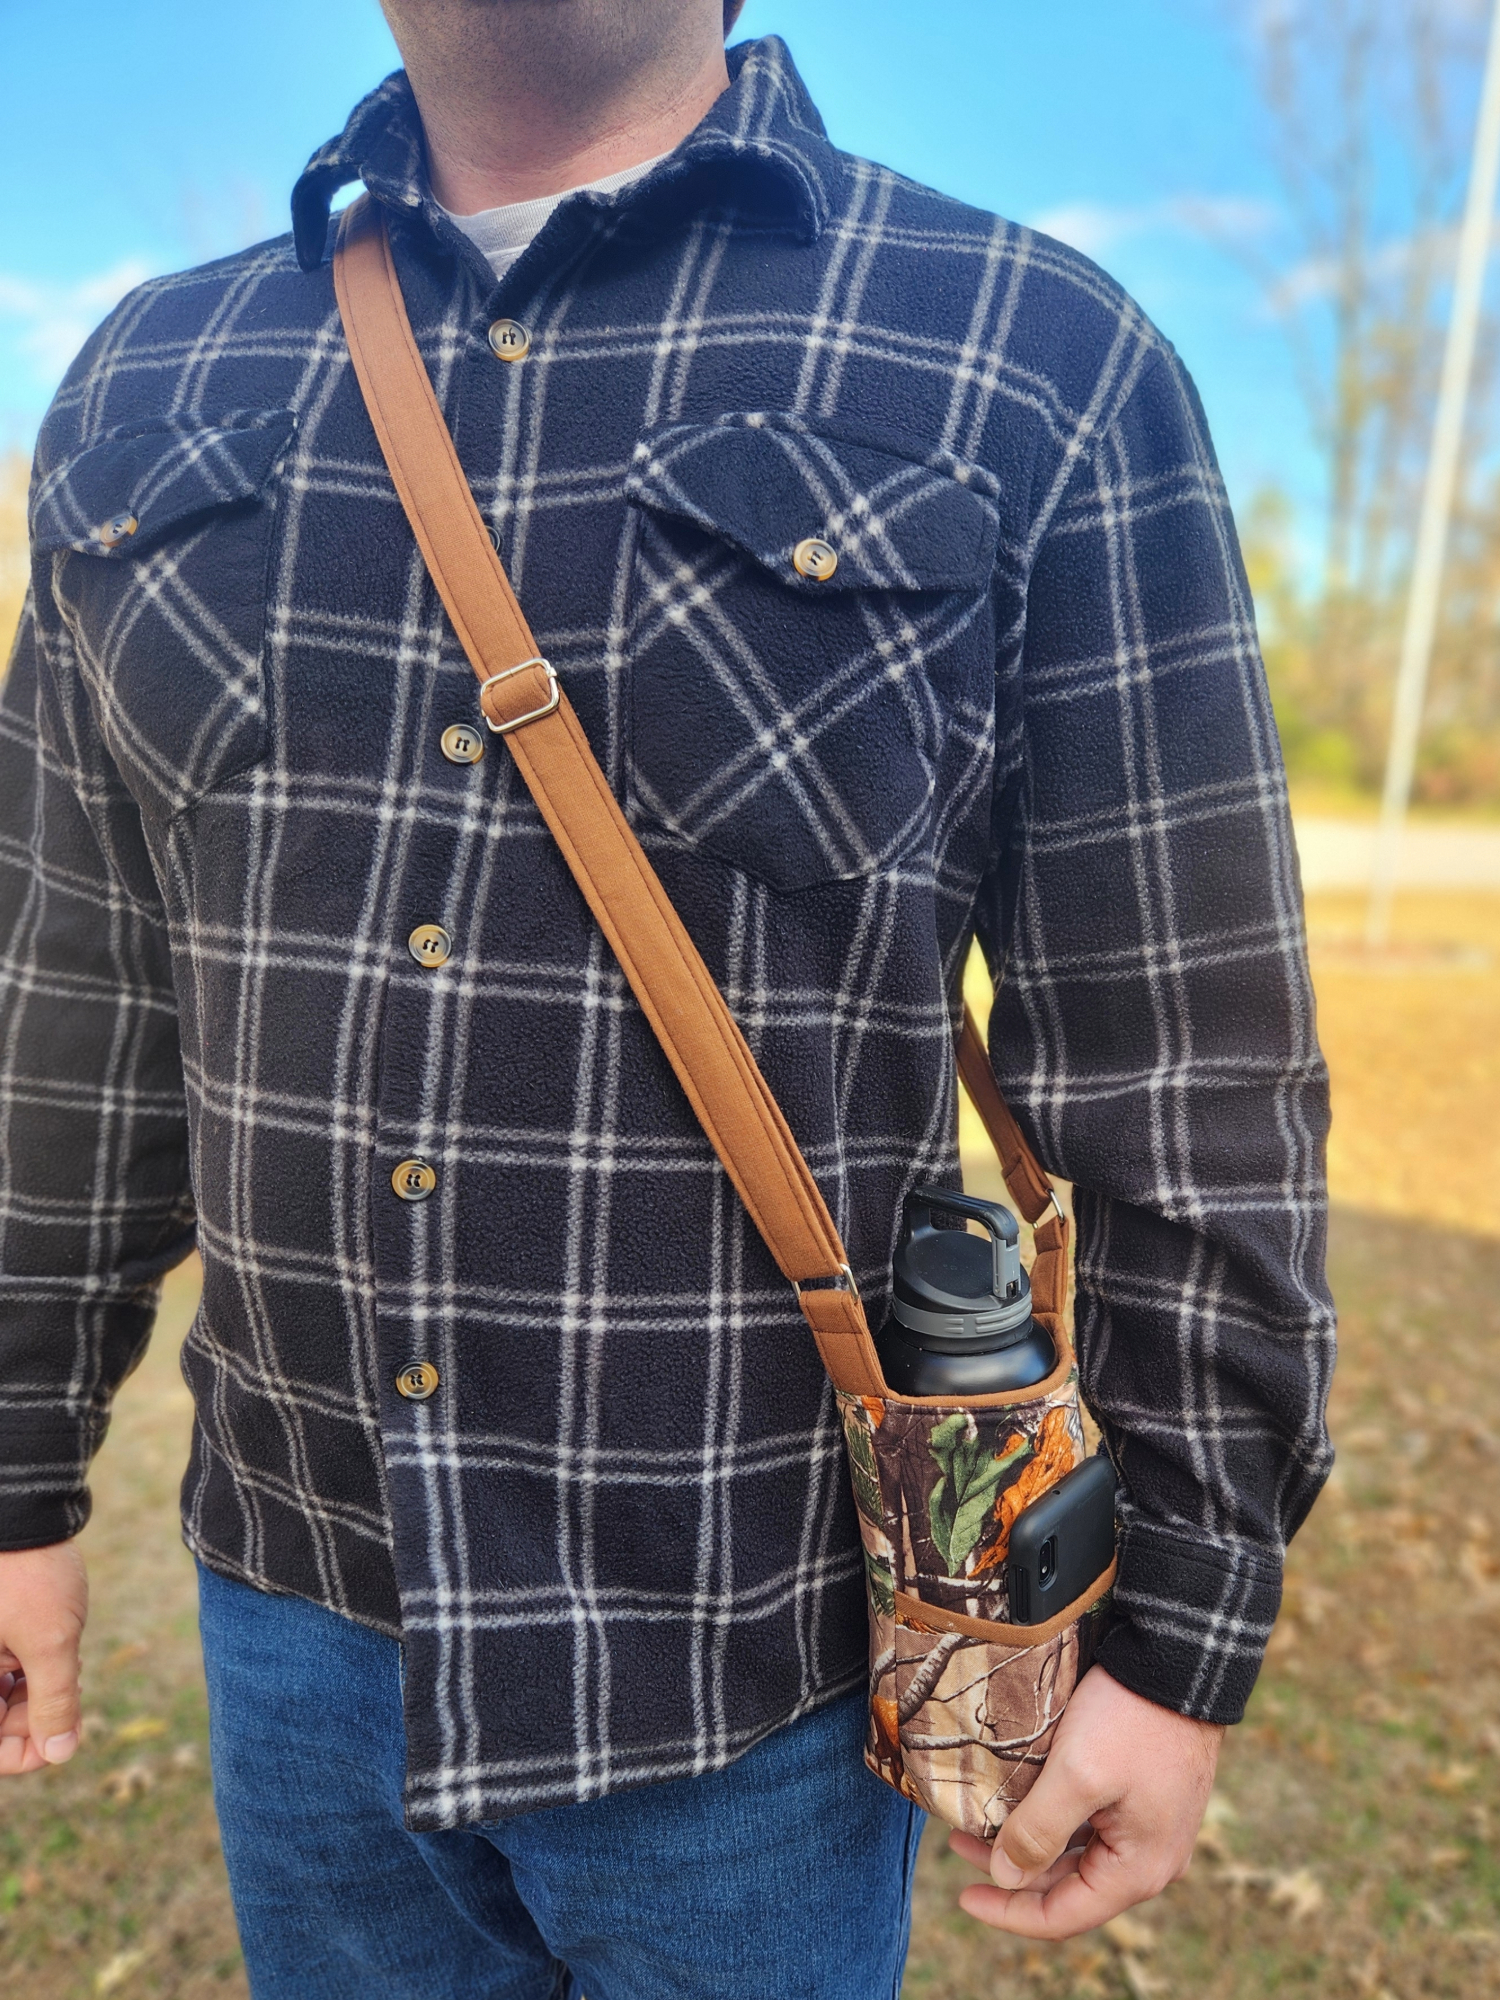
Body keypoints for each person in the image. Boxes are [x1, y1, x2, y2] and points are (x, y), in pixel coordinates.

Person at [0, 2, 1334, 1993]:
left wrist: (1181, 1632)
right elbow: (69, 995)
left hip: (756, 1683)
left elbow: (1187, 1047)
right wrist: (17, 1469)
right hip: (293, 1624)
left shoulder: (1033, 357)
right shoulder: (149, 376)